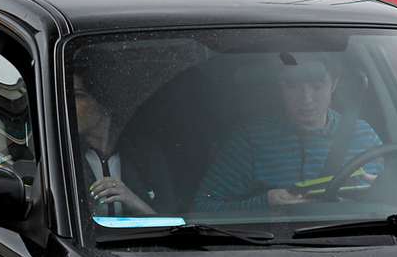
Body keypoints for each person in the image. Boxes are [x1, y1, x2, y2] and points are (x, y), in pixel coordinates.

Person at [193, 56, 381, 212]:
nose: (306, 99)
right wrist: (266, 203)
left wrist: (380, 189)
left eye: (317, 86)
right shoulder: (251, 139)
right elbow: (203, 208)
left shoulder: (362, 135)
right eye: (292, 86)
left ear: (334, 83)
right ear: (279, 86)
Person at [74, 72, 170, 217]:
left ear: (103, 101)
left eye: (78, 95)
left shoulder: (146, 155)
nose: (68, 104)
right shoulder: (63, 154)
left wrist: (133, 201)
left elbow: (173, 224)